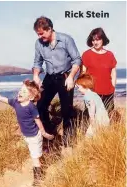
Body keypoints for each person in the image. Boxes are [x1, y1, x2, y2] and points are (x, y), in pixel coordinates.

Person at [0, 79, 54, 186]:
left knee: (35, 158)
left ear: (31, 97)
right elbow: (0, 98)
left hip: (34, 136)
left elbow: (38, 121)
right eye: (21, 90)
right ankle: (45, 151)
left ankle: (38, 180)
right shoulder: (15, 103)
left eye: (24, 92)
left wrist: (44, 133)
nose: (20, 92)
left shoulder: (31, 107)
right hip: (26, 136)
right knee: (35, 154)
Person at [32, 16, 82, 148]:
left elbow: (77, 60)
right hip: (49, 77)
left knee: (67, 111)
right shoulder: (39, 43)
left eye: (42, 33)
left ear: (50, 29)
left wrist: (71, 76)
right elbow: (37, 63)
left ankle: (68, 143)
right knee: (40, 106)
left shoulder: (66, 39)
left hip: (65, 76)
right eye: (38, 34)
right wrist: (36, 75)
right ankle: (49, 135)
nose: (40, 37)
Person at [81, 27, 117, 115]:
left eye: (98, 39)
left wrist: (113, 86)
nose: (95, 42)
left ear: (103, 39)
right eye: (93, 40)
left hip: (108, 92)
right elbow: (83, 74)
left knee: (108, 118)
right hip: (93, 93)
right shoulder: (86, 54)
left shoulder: (110, 55)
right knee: (92, 119)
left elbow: (113, 72)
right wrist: (86, 91)